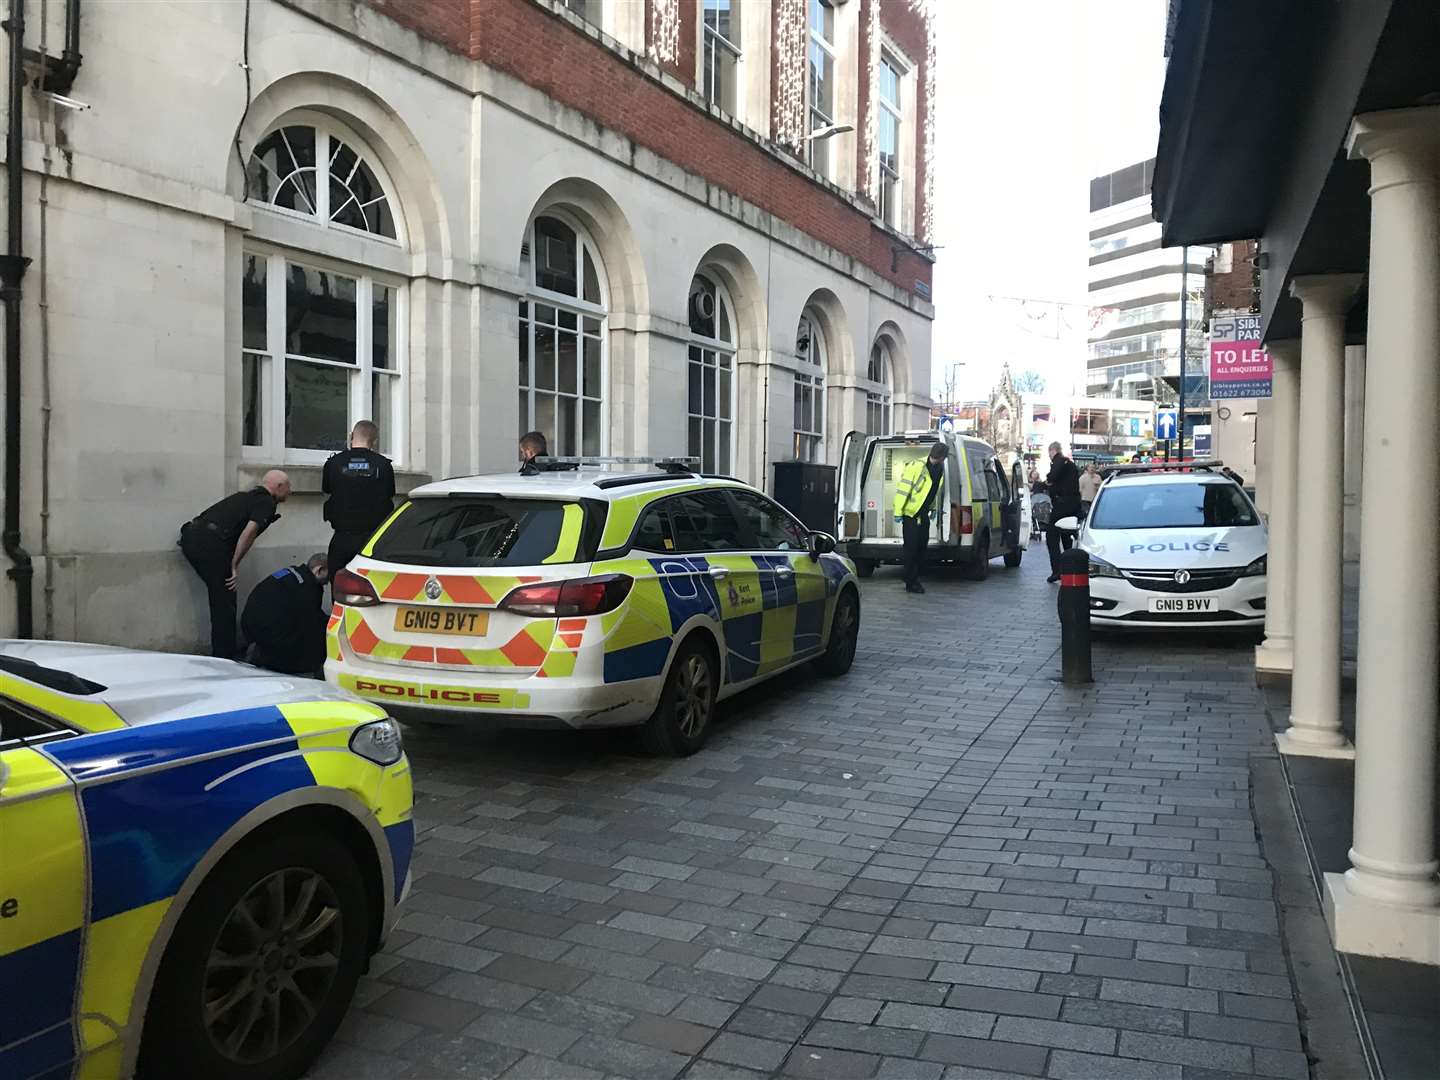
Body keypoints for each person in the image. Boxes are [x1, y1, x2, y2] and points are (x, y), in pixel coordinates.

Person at [179, 470, 290, 658]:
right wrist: (234, 565)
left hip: (191, 535)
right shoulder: (266, 502)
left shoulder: (244, 496)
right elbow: (249, 533)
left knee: (220, 594)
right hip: (211, 544)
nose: (290, 492)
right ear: (279, 486)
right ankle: (224, 657)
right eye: (288, 487)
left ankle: (224, 650)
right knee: (224, 600)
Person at [323, 420, 396, 597]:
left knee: (339, 595)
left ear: (351, 437)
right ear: (375, 441)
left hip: (341, 539)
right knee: (372, 595)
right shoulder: (383, 465)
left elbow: (327, 491)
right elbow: (390, 495)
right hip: (371, 542)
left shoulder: (333, 464)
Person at [241, 554, 329, 676]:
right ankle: (266, 656)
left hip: (251, 625)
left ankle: (261, 650)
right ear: (319, 570)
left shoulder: (292, 573)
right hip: (271, 632)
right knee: (316, 637)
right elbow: (312, 621)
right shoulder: (308, 587)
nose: (327, 583)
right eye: (327, 577)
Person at [893, 443, 947, 595]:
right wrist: (898, 511)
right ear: (941, 457)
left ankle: (912, 578)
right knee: (911, 550)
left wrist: (933, 508)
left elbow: (933, 492)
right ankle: (911, 582)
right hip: (911, 515)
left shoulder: (939, 470)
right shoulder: (917, 467)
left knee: (921, 549)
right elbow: (903, 489)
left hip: (922, 515)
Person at [1044, 441, 1081, 584]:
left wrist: (1048, 480)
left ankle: (1057, 571)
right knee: (1066, 536)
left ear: (1053, 450)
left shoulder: (1059, 461)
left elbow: (1052, 477)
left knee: (1051, 536)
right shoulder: (1069, 464)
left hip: (1062, 505)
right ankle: (1069, 570)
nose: (1049, 456)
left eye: (1049, 452)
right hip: (1073, 504)